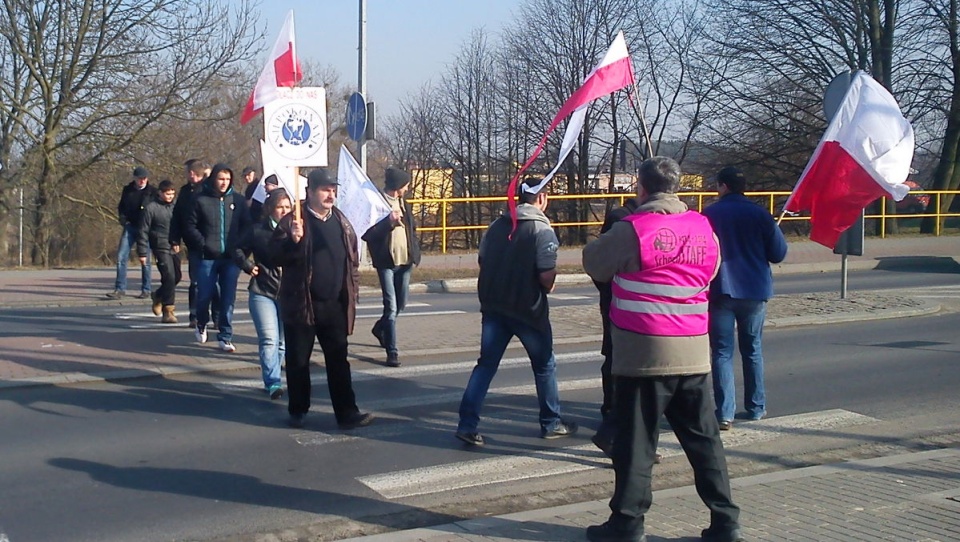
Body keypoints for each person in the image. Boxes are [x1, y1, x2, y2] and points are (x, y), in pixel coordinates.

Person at [582, 157, 742, 542]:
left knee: (637, 444)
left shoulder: (632, 229)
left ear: (640, 187)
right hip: (693, 351)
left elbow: (594, 264)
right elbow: (712, 269)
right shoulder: (703, 227)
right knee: (704, 442)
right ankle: (726, 522)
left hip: (643, 353)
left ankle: (627, 524)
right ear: (677, 186)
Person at [455, 177, 577, 447]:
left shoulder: (497, 225)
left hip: (494, 307)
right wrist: (550, 282)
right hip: (527, 311)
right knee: (545, 365)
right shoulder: (542, 230)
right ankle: (551, 423)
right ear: (542, 199)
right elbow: (546, 275)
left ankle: (467, 424)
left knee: (485, 365)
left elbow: (482, 260)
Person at [270, 168, 373, 430]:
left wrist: (352, 292)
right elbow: (272, 256)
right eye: (325, 189)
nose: (331, 194)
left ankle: (347, 412)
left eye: (333, 189)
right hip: (302, 303)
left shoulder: (340, 220)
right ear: (310, 192)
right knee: (298, 360)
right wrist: (293, 241)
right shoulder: (294, 220)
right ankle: (298, 410)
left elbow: (351, 260)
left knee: (338, 361)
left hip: (335, 305)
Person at [703, 166, 788, 430]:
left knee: (722, 352)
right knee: (752, 350)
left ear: (723, 186)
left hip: (721, 290)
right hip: (754, 289)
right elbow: (778, 253)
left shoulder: (709, 215)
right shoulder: (760, 214)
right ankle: (756, 406)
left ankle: (725, 413)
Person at [590, 195, 639, 456]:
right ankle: (613, 423)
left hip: (615, 302)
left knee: (614, 360)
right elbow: (600, 265)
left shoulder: (621, 219)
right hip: (621, 305)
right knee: (620, 365)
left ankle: (612, 418)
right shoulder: (625, 223)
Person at [184, 163, 250, 352]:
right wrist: (203, 244)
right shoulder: (200, 199)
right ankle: (201, 322)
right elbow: (190, 226)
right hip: (207, 257)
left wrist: (240, 248)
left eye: (227, 179)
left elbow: (247, 226)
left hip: (231, 258)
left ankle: (225, 336)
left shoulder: (237, 200)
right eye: (221, 179)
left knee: (228, 298)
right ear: (213, 178)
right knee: (205, 294)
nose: (224, 183)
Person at [361, 167, 422, 367]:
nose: (407, 188)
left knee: (401, 304)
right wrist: (388, 223)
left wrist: (415, 253)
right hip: (386, 263)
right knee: (391, 306)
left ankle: (380, 328)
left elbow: (412, 229)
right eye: (405, 185)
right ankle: (392, 351)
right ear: (397, 186)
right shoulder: (377, 204)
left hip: (405, 262)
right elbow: (368, 234)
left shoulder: (404, 204)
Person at [234, 188, 291, 400]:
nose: (284, 211)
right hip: (262, 291)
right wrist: (248, 266)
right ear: (270, 209)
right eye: (279, 207)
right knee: (269, 339)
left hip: (288, 293)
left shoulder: (296, 230)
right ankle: (273, 382)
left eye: (287, 207)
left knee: (283, 342)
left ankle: (274, 374)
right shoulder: (257, 230)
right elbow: (236, 249)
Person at [170, 159, 219, 329]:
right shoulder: (185, 192)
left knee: (214, 281)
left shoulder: (208, 190)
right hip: (193, 243)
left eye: (189, 172)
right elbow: (177, 217)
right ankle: (195, 315)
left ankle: (217, 316)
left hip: (211, 242)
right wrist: (174, 238)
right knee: (196, 282)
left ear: (193, 173)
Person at [106, 166, 156, 299]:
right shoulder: (127, 190)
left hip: (145, 229)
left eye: (144, 178)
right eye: (140, 179)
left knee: (145, 260)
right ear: (134, 178)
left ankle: (146, 289)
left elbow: (156, 210)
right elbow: (121, 207)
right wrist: (123, 220)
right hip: (130, 227)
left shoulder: (152, 192)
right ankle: (119, 289)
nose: (142, 181)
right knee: (121, 257)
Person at [137, 179, 181, 323]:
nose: (170, 197)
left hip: (173, 246)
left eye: (172, 194)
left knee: (177, 277)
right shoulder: (151, 208)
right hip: (159, 246)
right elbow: (143, 231)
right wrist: (143, 252)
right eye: (168, 194)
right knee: (168, 276)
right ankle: (168, 311)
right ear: (160, 193)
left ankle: (158, 295)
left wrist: (178, 241)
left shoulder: (176, 206)